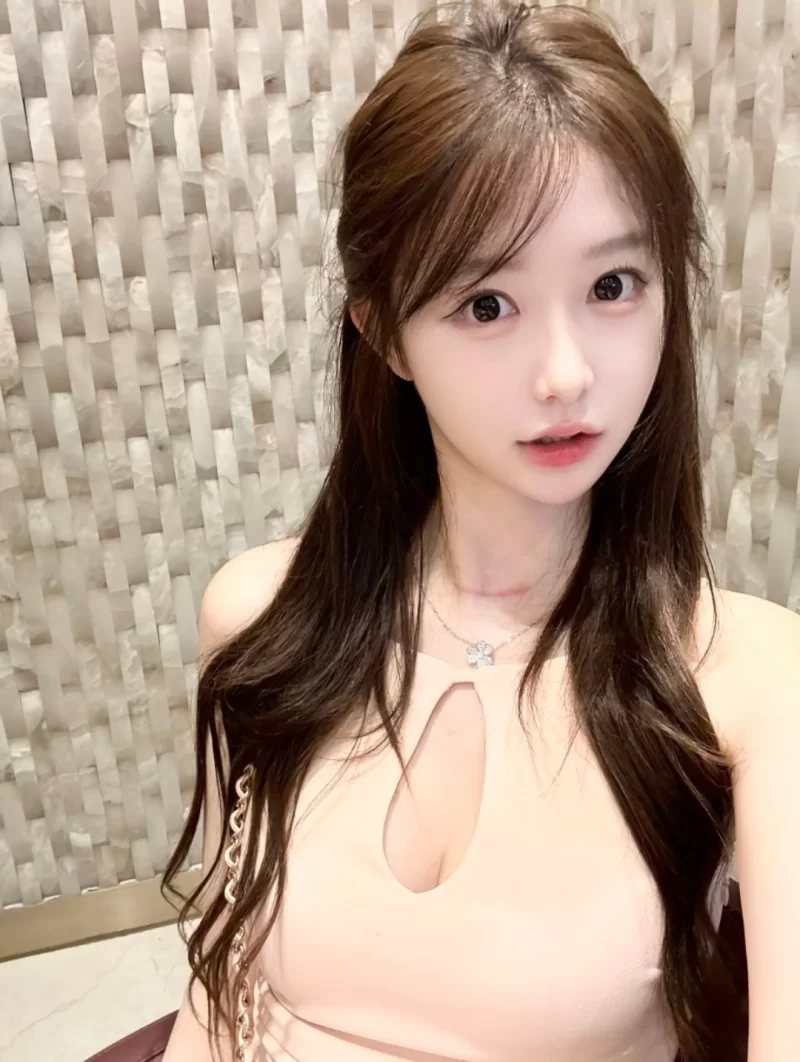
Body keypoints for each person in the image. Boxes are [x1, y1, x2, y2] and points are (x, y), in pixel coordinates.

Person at [161, 3, 800, 1061]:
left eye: (611, 286)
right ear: (384, 333)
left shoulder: (748, 683)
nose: (566, 374)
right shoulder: (260, 622)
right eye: (487, 304)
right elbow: (224, 985)